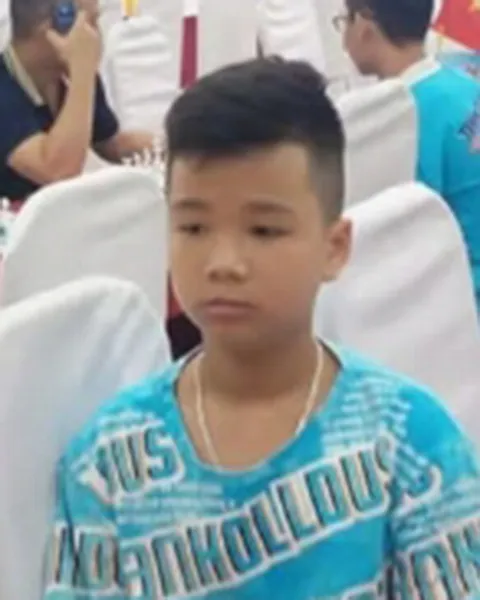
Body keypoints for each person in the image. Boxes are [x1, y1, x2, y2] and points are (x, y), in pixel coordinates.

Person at [42, 58, 480, 599]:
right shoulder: (109, 462)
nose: (223, 262)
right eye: (193, 226)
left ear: (334, 248)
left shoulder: (410, 444)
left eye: (264, 230)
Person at [336, 0, 480, 309]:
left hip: (459, 302)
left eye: (344, 21)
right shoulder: (467, 86)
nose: (343, 37)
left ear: (364, 25)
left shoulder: (396, 115)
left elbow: (398, 239)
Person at [0, 0, 154, 201]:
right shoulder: (6, 85)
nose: (96, 36)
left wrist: (175, 146)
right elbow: (58, 170)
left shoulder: (68, 74)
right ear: (55, 26)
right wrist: (82, 70)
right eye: (91, 23)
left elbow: (110, 143)